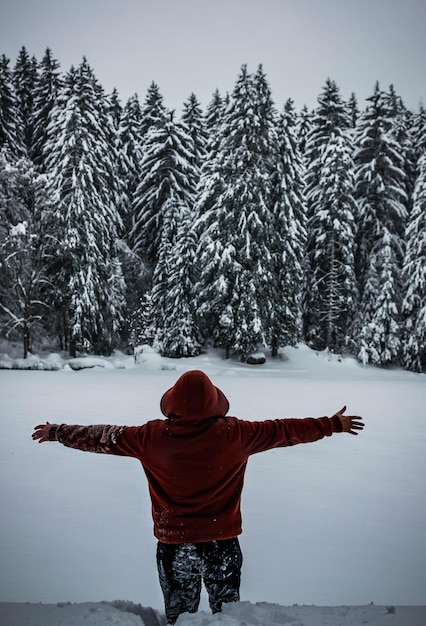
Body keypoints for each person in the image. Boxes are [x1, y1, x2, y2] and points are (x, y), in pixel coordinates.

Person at [32, 369, 364, 624]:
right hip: (223, 544)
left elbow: (100, 436)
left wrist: (58, 432)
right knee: (227, 617)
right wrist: (331, 424)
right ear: (216, 402)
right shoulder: (236, 434)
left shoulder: (150, 437)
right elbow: (285, 430)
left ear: (171, 404)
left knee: (180, 618)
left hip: (174, 547)